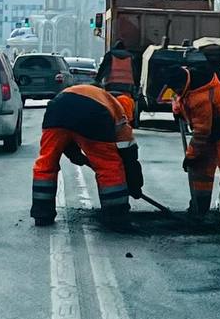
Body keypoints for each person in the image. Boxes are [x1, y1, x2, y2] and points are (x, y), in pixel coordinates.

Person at [30, 83, 143, 227]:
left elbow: (67, 133)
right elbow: (129, 156)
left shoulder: (97, 95)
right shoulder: (119, 112)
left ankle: (42, 213)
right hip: (91, 112)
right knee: (109, 167)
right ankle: (116, 216)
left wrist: (74, 154)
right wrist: (134, 184)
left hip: (57, 109)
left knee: (46, 162)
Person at [163, 63, 220, 218]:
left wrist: (190, 156)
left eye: (177, 89)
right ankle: (199, 206)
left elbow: (202, 132)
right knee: (202, 168)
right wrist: (177, 110)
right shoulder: (185, 79)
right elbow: (177, 97)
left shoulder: (200, 97)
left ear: (183, 84)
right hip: (211, 123)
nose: (175, 92)